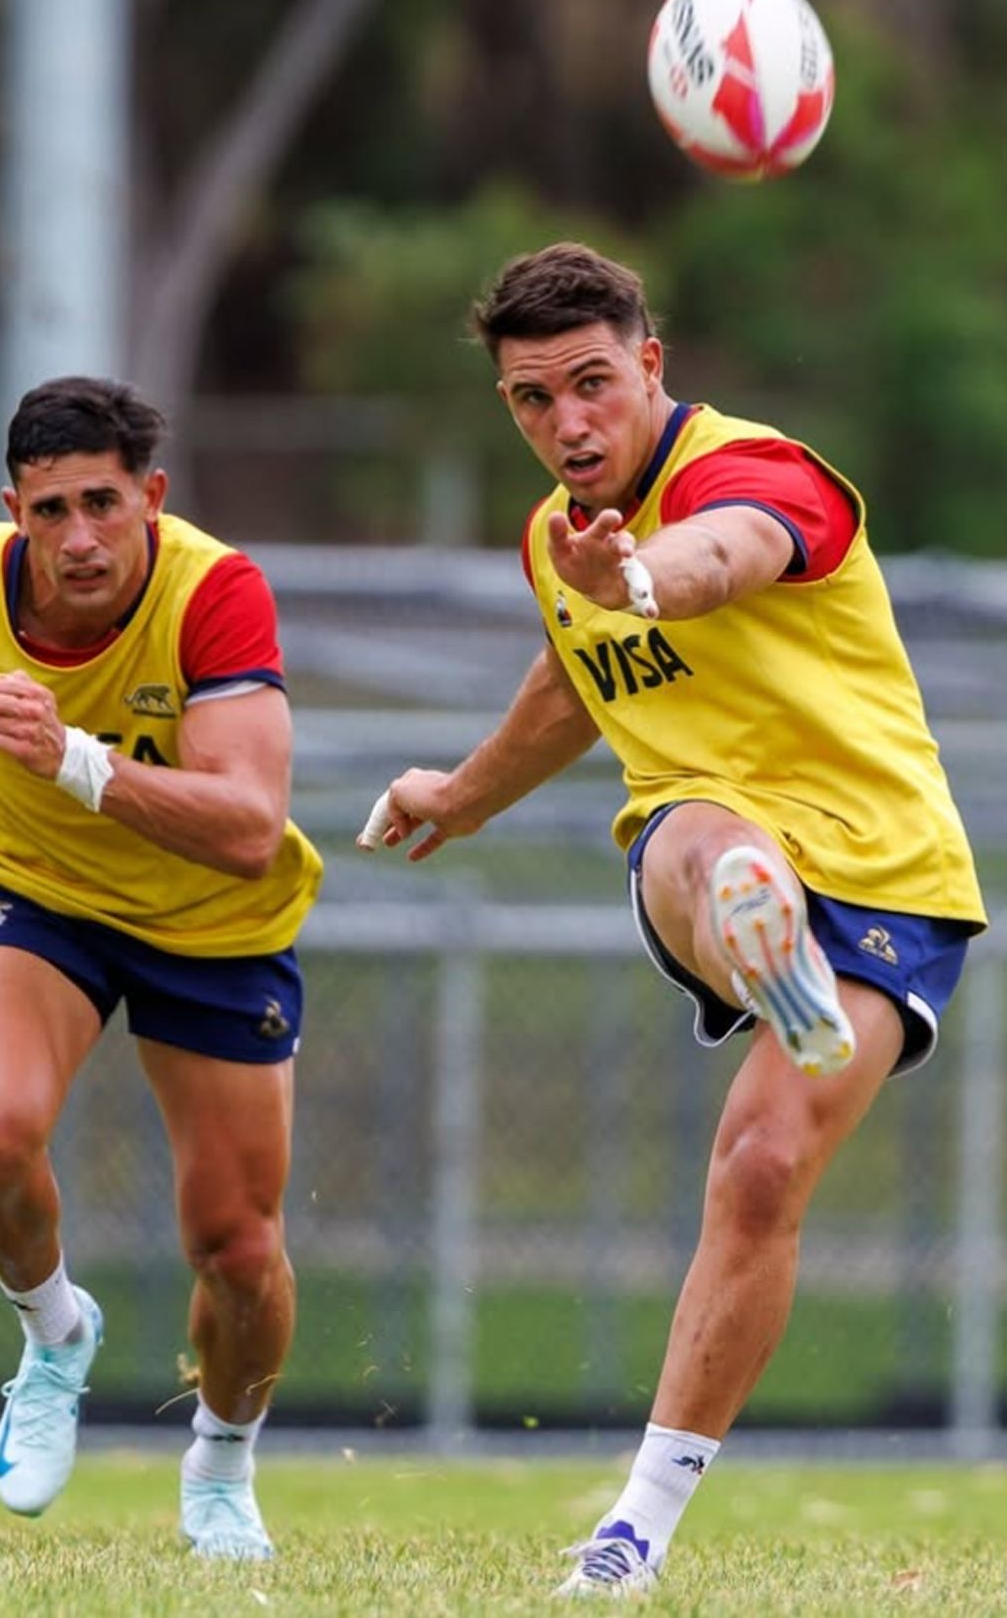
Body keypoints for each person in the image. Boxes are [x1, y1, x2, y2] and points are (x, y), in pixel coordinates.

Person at [359, 244, 986, 1597]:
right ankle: (630, 1535)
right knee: (697, 834)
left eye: (591, 384)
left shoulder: (763, 474)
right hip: (702, 837)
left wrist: (637, 576)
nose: (566, 423)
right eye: (532, 401)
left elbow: (719, 558)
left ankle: (644, 1511)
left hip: (889, 870)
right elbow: (574, 682)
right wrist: (462, 795)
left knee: (762, 1168)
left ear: (651, 364)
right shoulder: (555, 541)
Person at [0, 376, 322, 1560]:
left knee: (239, 1247)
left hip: (210, 920)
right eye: (49, 512)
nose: (79, 539)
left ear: (152, 497)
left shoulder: (215, 592)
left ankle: (220, 1461)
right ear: (14, 508)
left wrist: (77, 761)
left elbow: (251, 825)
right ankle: (56, 1337)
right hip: (30, 889)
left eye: (103, 503)